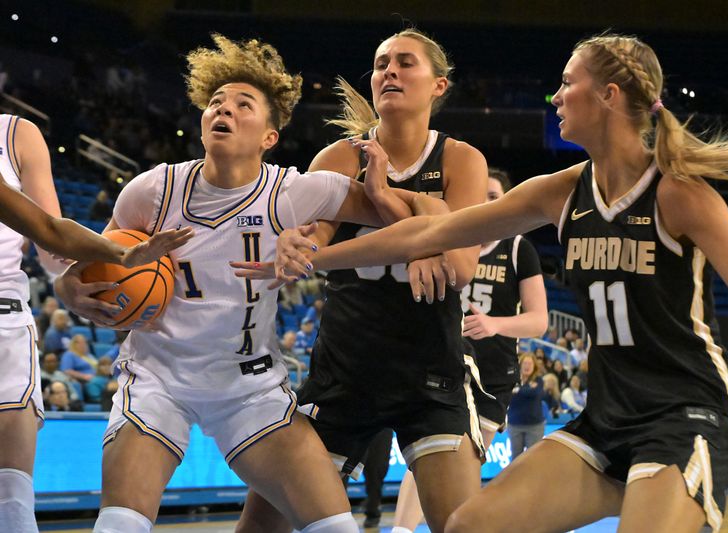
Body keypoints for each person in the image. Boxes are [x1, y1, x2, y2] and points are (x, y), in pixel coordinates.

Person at [246, 33, 728, 533]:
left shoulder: (678, 193)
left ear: (608, 96)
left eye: (567, 84)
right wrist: (315, 259)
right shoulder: (558, 192)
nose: (555, 97)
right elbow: (427, 233)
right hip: (604, 419)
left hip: (684, 414)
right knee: (469, 526)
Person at [56, 34, 429, 533]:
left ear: (269, 137)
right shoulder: (151, 190)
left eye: (242, 104)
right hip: (157, 379)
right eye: (215, 102)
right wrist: (68, 288)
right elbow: (90, 269)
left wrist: (378, 193)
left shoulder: (295, 192)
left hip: (249, 388)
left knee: (337, 528)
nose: (223, 109)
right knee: (119, 525)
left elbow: (423, 221)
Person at [233, 28, 487, 533]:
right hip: (344, 372)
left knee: (465, 527)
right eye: (381, 63)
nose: (389, 70)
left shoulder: (461, 158)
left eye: (405, 62)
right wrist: (294, 242)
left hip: (429, 373)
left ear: (439, 85)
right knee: (259, 527)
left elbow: (459, 269)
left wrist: (386, 200)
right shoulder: (338, 158)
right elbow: (313, 245)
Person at [0, 115, 189, 532]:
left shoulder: (15, 134)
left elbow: (49, 234)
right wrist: (118, 255)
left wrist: (88, 272)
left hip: (5, 322)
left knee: (11, 501)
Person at [392, 167, 548, 531]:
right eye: (482, 195)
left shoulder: (518, 249)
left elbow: (539, 320)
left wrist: (495, 324)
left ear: (507, 203)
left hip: (493, 375)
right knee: (429, 457)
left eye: (494, 197)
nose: (486, 202)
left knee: (464, 470)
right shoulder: (450, 239)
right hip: (447, 367)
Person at [506, 354, 549, 461]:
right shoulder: (513, 379)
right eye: (525, 363)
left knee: (533, 458)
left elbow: (535, 393)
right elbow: (509, 394)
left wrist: (518, 390)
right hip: (514, 425)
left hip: (535, 426)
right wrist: (527, 389)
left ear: (534, 366)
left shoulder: (539, 380)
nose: (527, 366)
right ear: (520, 365)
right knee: (516, 458)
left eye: (530, 363)